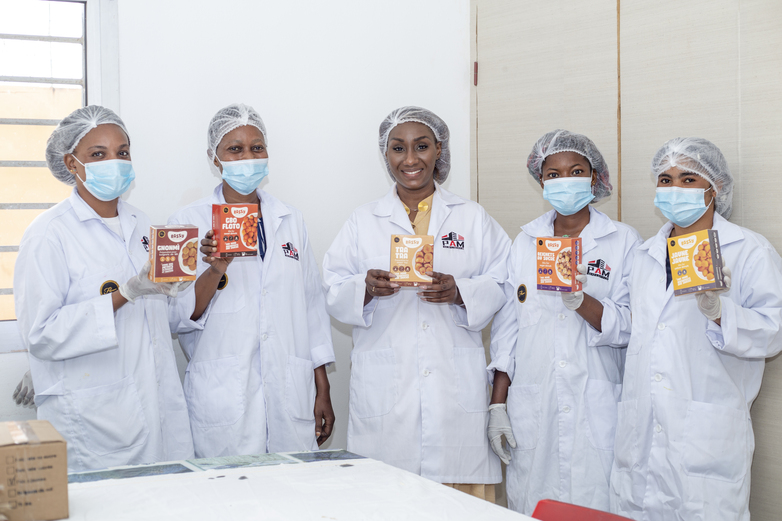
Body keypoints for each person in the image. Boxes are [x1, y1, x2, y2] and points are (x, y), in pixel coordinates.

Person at [322, 106, 510, 501]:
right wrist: (366, 288)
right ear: (385, 154)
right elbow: (334, 289)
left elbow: (503, 284)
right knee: (386, 500)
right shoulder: (363, 220)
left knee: (463, 504)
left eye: (421, 146)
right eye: (398, 148)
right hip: (387, 397)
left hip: (453, 398)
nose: (410, 159)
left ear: (438, 149)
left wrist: (460, 292)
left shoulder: (472, 218)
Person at [609, 138, 782, 521]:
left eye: (688, 179)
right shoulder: (644, 256)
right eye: (666, 180)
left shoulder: (749, 250)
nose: (675, 190)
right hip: (641, 434)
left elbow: (774, 331)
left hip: (707, 435)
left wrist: (721, 311)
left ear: (714, 188)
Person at [14, 105, 194, 472]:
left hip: (157, 401)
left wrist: (170, 286)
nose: (115, 161)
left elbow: (160, 317)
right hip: (96, 416)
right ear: (71, 164)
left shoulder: (141, 223)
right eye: (98, 154)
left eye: (122, 152)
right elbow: (43, 333)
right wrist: (126, 293)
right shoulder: (49, 234)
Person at [168, 103, 335, 458]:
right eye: (235, 148)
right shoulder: (187, 222)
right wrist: (215, 267)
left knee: (290, 500)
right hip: (224, 395)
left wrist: (321, 388)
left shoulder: (290, 219)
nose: (248, 157)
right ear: (216, 158)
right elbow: (177, 316)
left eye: (256, 147)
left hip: (291, 390)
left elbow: (311, 308)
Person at [488, 130, 641, 514]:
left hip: (599, 405)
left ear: (594, 177)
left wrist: (580, 301)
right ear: (541, 181)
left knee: (597, 507)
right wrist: (498, 406)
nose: (564, 180)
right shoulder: (524, 242)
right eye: (553, 174)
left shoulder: (622, 241)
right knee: (536, 505)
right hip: (534, 406)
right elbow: (509, 330)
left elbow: (631, 327)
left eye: (576, 170)